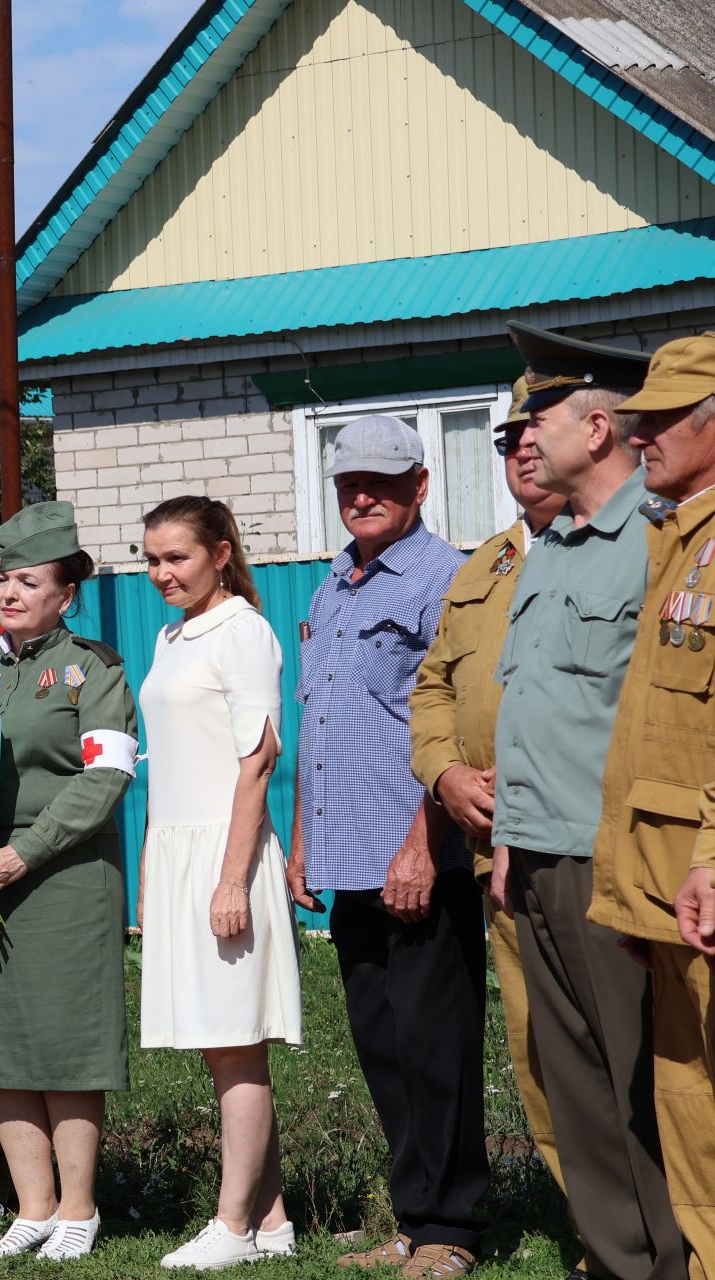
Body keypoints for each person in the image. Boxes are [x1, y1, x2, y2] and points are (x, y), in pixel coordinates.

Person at [488, 325, 682, 1280]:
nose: (525, 438)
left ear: (599, 426)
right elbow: (535, 705)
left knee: (648, 1075)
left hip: (617, 857)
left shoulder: (659, 539)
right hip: (537, 851)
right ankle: (619, 1261)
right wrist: (508, 848)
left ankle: (679, 1255)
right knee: (575, 1081)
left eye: (541, 420)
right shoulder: (555, 545)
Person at [287, 415, 487, 1278]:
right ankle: (413, 1219)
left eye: (379, 481)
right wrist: (301, 842)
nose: (360, 495)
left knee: (437, 1045)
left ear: (420, 485)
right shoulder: (337, 583)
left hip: (417, 855)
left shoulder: (449, 580)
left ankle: (455, 1228)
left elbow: (455, 729)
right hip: (346, 853)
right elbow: (319, 719)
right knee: (381, 1044)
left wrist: (422, 844)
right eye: (346, 484)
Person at [0, 501, 137, 1262]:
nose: (8, 592)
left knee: (63, 1040)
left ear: (64, 594)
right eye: (2, 578)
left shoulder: (94, 668)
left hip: (64, 877)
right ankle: (33, 1206)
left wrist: (23, 852)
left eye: (28, 581)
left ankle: (79, 1207)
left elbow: (106, 777)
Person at [408, 378, 572, 1227]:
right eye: (509, 442)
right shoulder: (489, 563)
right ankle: (600, 1226)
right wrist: (444, 773)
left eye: (535, 438)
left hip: (592, 845)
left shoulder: (636, 545)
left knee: (620, 1048)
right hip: (494, 843)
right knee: (537, 1047)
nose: (521, 454)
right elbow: (433, 686)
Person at [138, 496, 300, 1270]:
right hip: (179, 852)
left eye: (178, 557)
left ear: (221, 553)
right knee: (217, 1045)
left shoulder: (242, 631)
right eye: (152, 559)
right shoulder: (175, 635)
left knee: (237, 1047)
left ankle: (231, 1226)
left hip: (223, 856)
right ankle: (271, 1225)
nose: (161, 572)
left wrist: (230, 879)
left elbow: (258, 760)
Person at [593, 331, 715, 1280]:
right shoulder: (678, 538)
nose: (641, 439)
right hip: (667, 887)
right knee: (688, 1111)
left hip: (707, 881)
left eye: (664, 420)